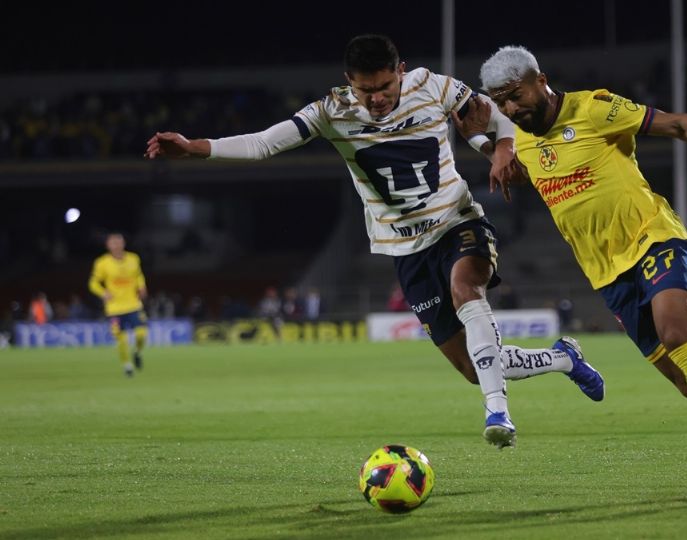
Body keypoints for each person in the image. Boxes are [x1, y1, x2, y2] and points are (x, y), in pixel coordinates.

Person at [144, 34, 605, 449]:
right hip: (405, 250)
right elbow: (264, 143)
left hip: (457, 220)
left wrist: (503, 147)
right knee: (472, 367)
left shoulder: (434, 86)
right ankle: (562, 358)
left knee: (467, 289)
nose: (378, 98)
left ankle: (498, 413)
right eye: (367, 90)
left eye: (385, 86)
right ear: (350, 82)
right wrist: (194, 146)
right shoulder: (332, 111)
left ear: (400, 70)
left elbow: (498, 111)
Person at [468, 45, 687, 500]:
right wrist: (487, 146)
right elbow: (532, 170)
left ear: (540, 81)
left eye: (516, 95)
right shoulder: (522, 141)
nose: (511, 108)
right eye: (501, 102)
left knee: (677, 334)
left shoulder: (594, 109)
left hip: (654, 238)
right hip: (606, 272)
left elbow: (678, 124)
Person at [88, 232, 149, 377]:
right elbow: (93, 283)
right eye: (113, 243)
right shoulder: (102, 263)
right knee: (121, 339)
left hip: (133, 304)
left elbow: (138, 275)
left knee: (141, 334)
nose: (116, 245)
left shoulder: (133, 258)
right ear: (108, 246)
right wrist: (103, 293)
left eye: (118, 242)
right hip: (114, 308)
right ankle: (127, 366)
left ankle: (137, 352)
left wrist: (142, 286)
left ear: (123, 244)